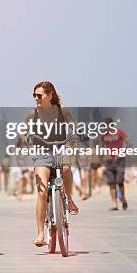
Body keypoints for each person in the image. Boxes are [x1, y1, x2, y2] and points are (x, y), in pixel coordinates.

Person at [27, 81, 80, 247]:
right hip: (41, 153)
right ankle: (40, 233)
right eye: (34, 95)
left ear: (50, 95)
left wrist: (77, 133)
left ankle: (69, 198)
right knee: (42, 192)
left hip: (59, 149)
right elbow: (25, 130)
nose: (36, 98)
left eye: (39, 95)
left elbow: (72, 124)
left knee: (65, 168)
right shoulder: (33, 113)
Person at [101, 117, 131, 211]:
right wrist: (106, 155)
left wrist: (121, 153)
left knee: (119, 181)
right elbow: (102, 147)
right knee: (111, 182)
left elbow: (129, 143)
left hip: (120, 160)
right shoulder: (103, 135)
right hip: (109, 161)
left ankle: (123, 198)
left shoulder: (120, 132)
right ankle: (114, 203)